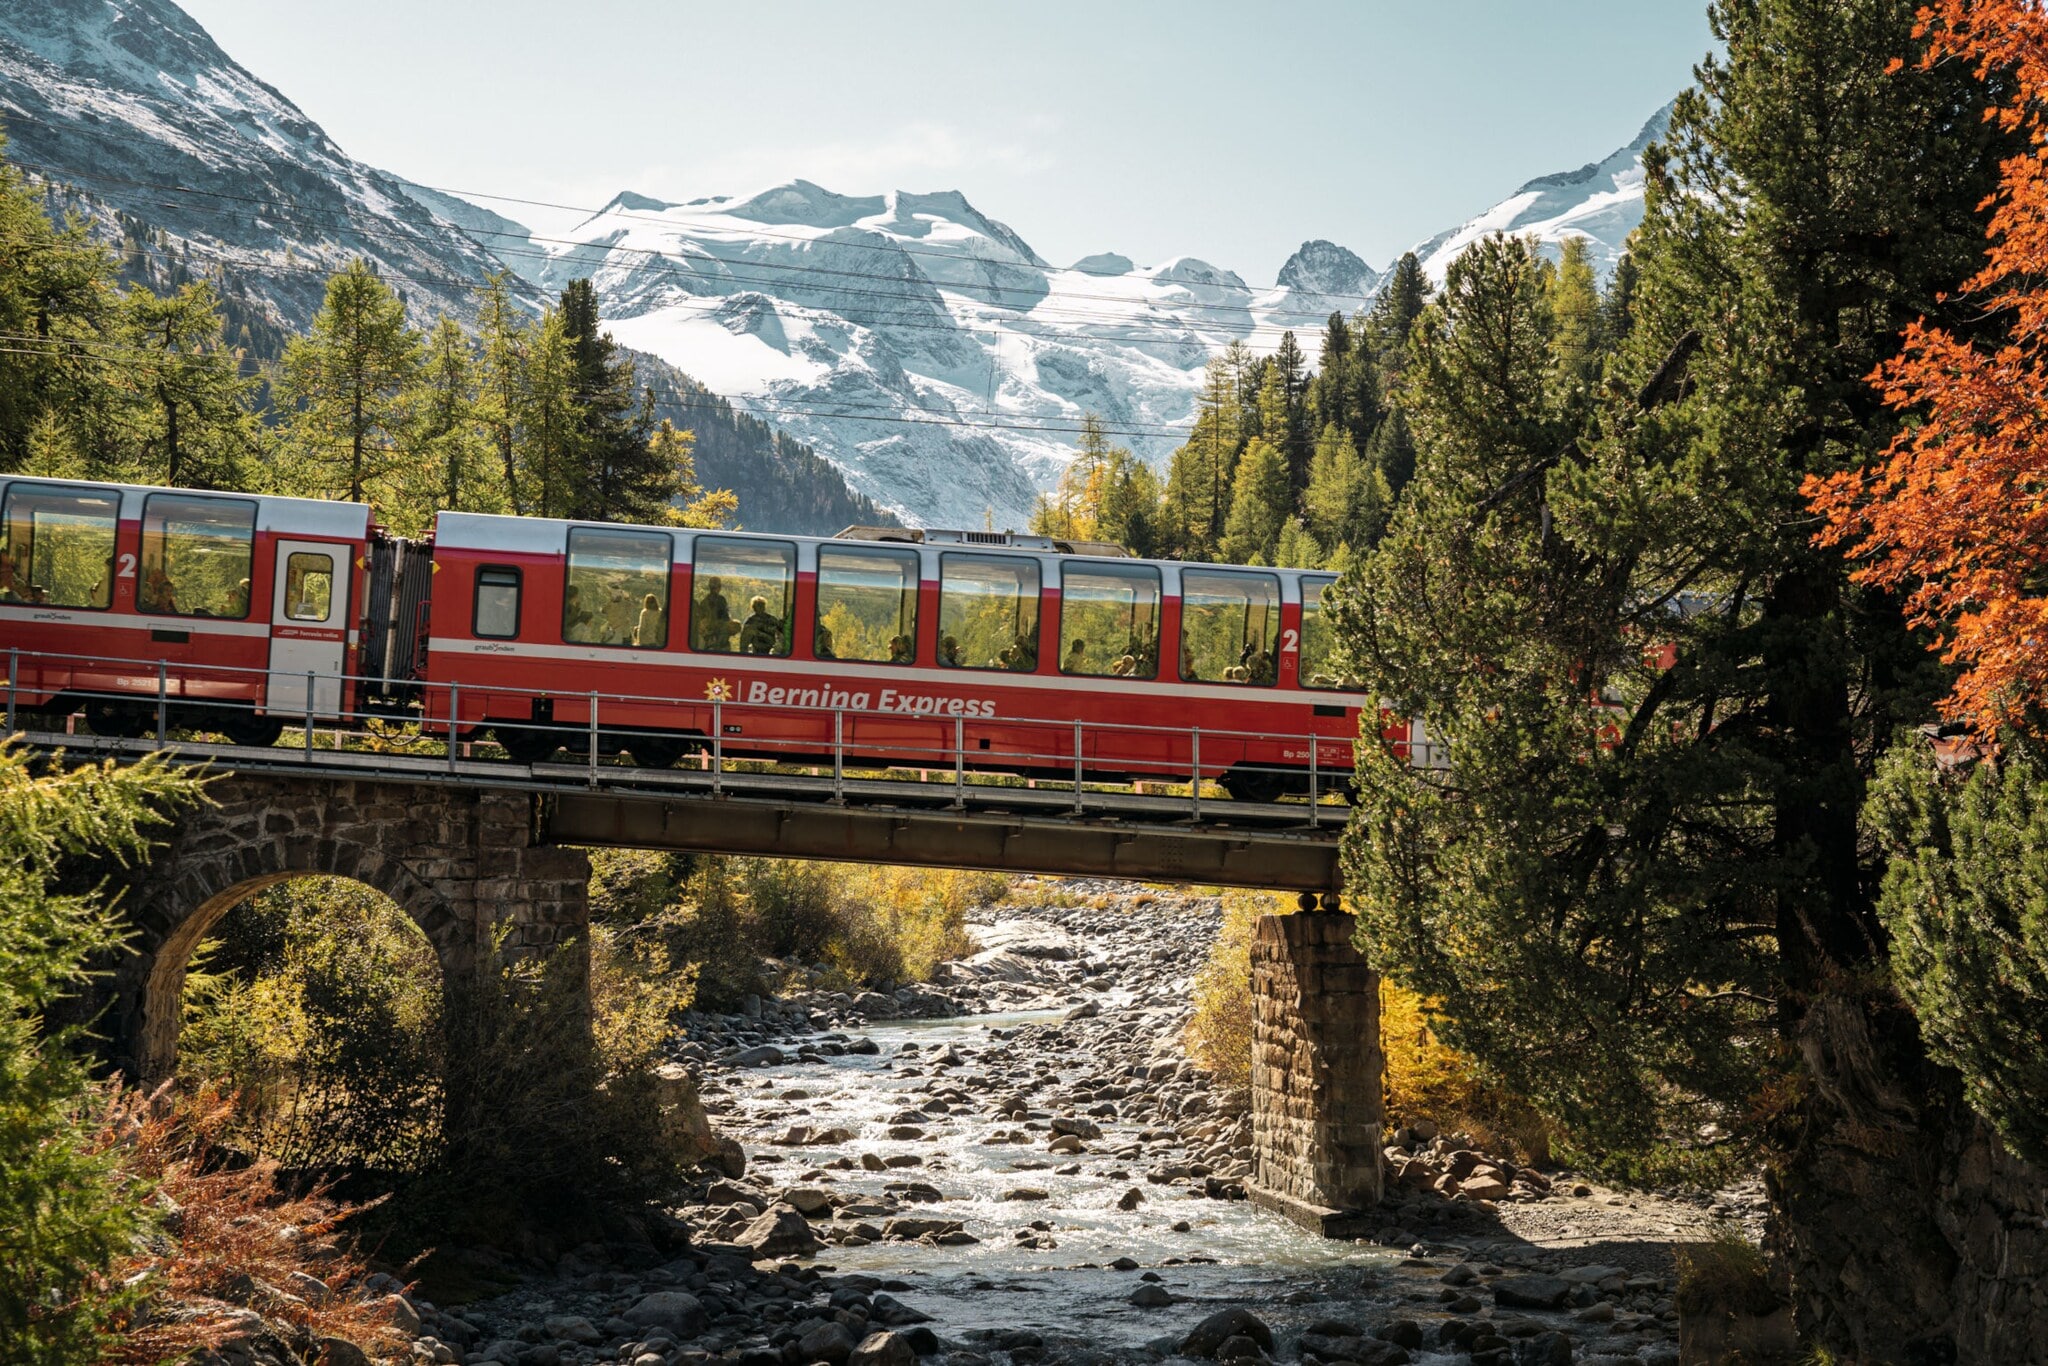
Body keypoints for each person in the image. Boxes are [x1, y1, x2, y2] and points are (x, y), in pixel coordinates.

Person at [696, 575, 737, 651]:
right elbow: (724, 618)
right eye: (716, 587)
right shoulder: (713, 601)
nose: (717, 589)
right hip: (714, 637)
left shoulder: (707, 602)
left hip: (715, 636)